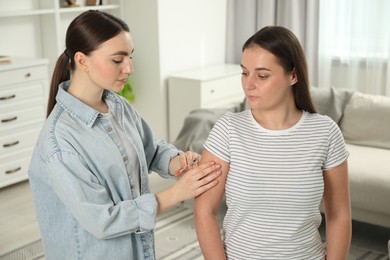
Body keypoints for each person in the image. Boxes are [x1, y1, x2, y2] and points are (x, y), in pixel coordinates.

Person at [28, 10, 221, 260]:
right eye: (117, 60)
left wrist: (178, 163)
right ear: (82, 60)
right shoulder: (59, 142)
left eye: (129, 57)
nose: (129, 68)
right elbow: (103, 220)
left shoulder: (117, 106)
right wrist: (176, 194)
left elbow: (149, 149)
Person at [194, 26, 352, 259]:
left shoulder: (325, 132)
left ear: (293, 75)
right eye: (245, 73)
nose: (249, 84)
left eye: (262, 75)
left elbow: (339, 214)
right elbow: (204, 211)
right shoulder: (228, 130)